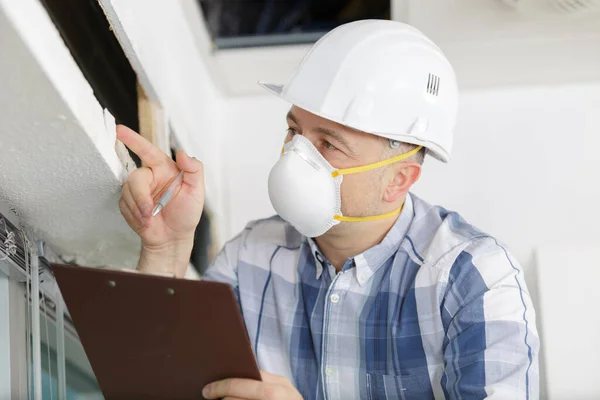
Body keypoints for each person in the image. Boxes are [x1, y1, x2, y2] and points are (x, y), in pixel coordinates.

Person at [117, 20, 539, 400]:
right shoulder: (251, 258)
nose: (295, 157)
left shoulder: (474, 279)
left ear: (399, 180)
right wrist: (167, 249)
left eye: (328, 144)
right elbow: (161, 382)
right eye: (294, 131)